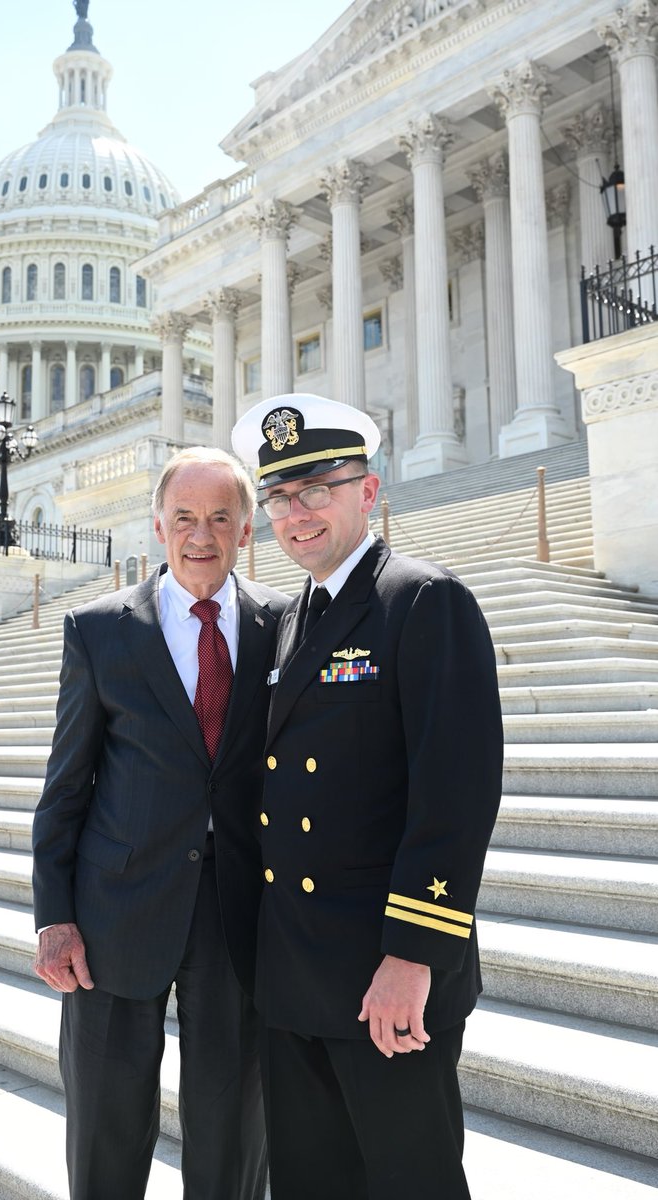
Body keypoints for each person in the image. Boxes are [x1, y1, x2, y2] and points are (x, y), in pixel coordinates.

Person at [231, 394, 503, 1200]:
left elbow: (455, 796)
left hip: (384, 972)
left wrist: (413, 956)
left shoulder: (420, 599)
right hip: (296, 977)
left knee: (409, 1180)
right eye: (280, 497)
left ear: (369, 492)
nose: (296, 513)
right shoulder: (285, 621)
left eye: (318, 487)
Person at [32, 447, 289, 1200]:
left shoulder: (284, 624)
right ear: (157, 526)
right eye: (184, 518)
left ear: (246, 530)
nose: (200, 534)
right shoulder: (100, 630)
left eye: (219, 518)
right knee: (105, 1129)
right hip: (114, 914)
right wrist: (55, 916)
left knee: (233, 1130)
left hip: (238, 914)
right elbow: (65, 787)